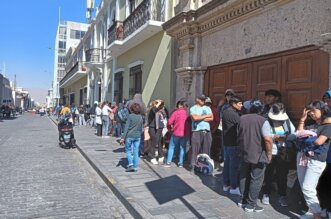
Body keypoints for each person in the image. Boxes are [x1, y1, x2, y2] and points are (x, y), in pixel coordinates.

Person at [297, 100, 331, 219]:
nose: (311, 113)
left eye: (313, 111)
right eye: (309, 111)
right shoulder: (311, 124)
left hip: (316, 160)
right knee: (303, 185)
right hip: (303, 157)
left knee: (308, 187)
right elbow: (299, 133)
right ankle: (312, 211)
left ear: (322, 110)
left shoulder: (328, 125)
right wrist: (302, 119)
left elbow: (318, 141)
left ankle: (317, 214)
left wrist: (305, 137)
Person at [237, 99, 273, 213]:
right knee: (256, 178)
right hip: (258, 153)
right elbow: (268, 139)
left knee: (244, 176)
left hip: (244, 152)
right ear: (261, 109)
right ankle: (251, 204)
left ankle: (242, 200)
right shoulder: (263, 121)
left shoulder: (242, 118)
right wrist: (269, 153)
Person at [260, 102, 296, 207]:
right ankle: (265, 194)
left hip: (283, 152)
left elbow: (294, 134)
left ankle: (282, 195)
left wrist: (286, 137)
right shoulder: (266, 121)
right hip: (270, 151)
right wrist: (273, 136)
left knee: (282, 175)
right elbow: (263, 135)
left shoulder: (287, 120)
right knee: (268, 174)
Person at [222, 95, 243, 195]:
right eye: (239, 103)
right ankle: (233, 186)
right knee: (233, 165)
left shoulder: (226, 111)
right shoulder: (232, 113)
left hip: (227, 142)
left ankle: (226, 184)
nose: (241, 105)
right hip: (233, 143)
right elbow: (241, 124)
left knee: (227, 163)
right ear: (234, 104)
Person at [190, 94, 213, 170]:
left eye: (204, 99)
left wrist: (199, 118)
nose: (203, 101)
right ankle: (193, 165)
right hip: (197, 131)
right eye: (201, 99)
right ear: (197, 99)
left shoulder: (207, 108)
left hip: (207, 131)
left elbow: (211, 118)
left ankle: (205, 166)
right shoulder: (193, 108)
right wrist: (206, 116)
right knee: (195, 149)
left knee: (206, 149)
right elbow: (195, 118)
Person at [164, 99, 189, 167]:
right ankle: (180, 163)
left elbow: (169, 122)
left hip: (176, 132)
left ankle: (168, 162)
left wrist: (170, 128)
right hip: (185, 133)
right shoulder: (187, 113)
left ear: (180, 105)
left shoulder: (176, 112)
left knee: (171, 147)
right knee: (182, 148)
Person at [120, 103, 144, 172]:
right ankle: (135, 167)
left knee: (128, 150)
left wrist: (122, 137)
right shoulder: (140, 117)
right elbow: (141, 128)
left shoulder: (130, 116)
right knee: (136, 152)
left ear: (131, 109)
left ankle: (130, 165)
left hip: (130, 136)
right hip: (138, 136)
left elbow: (126, 127)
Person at [148, 100, 166, 164]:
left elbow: (165, 115)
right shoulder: (152, 110)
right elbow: (154, 110)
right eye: (158, 103)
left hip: (160, 128)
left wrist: (162, 106)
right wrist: (157, 105)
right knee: (154, 141)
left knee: (160, 141)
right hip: (153, 128)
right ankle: (152, 156)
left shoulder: (161, 111)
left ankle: (160, 155)